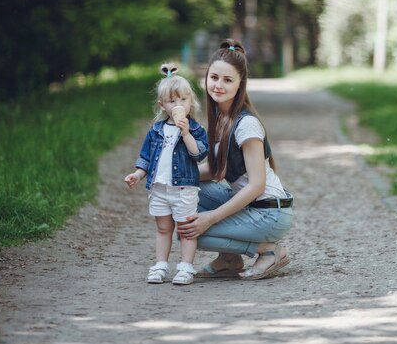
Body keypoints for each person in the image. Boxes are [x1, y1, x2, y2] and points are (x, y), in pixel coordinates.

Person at [177, 38, 293, 280]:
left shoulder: (246, 125)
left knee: (187, 231)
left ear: (240, 84)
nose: (219, 85)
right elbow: (217, 170)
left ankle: (268, 250)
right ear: (206, 78)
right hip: (254, 206)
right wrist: (176, 174)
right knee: (188, 188)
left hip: (269, 213)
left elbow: (256, 185)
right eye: (214, 77)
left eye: (228, 80)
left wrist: (210, 217)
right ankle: (229, 259)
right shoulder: (222, 117)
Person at [124, 64, 209, 285]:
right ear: (162, 105)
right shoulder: (156, 130)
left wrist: (186, 132)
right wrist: (137, 174)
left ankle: (185, 267)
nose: (178, 105)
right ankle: (161, 265)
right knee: (163, 228)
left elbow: (199, 155)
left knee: (186, 230)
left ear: (191, 102)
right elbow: (146, 157)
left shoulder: (196, 130)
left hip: (183, 189)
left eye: (182, 100)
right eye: (172, 101)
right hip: (159, 188)